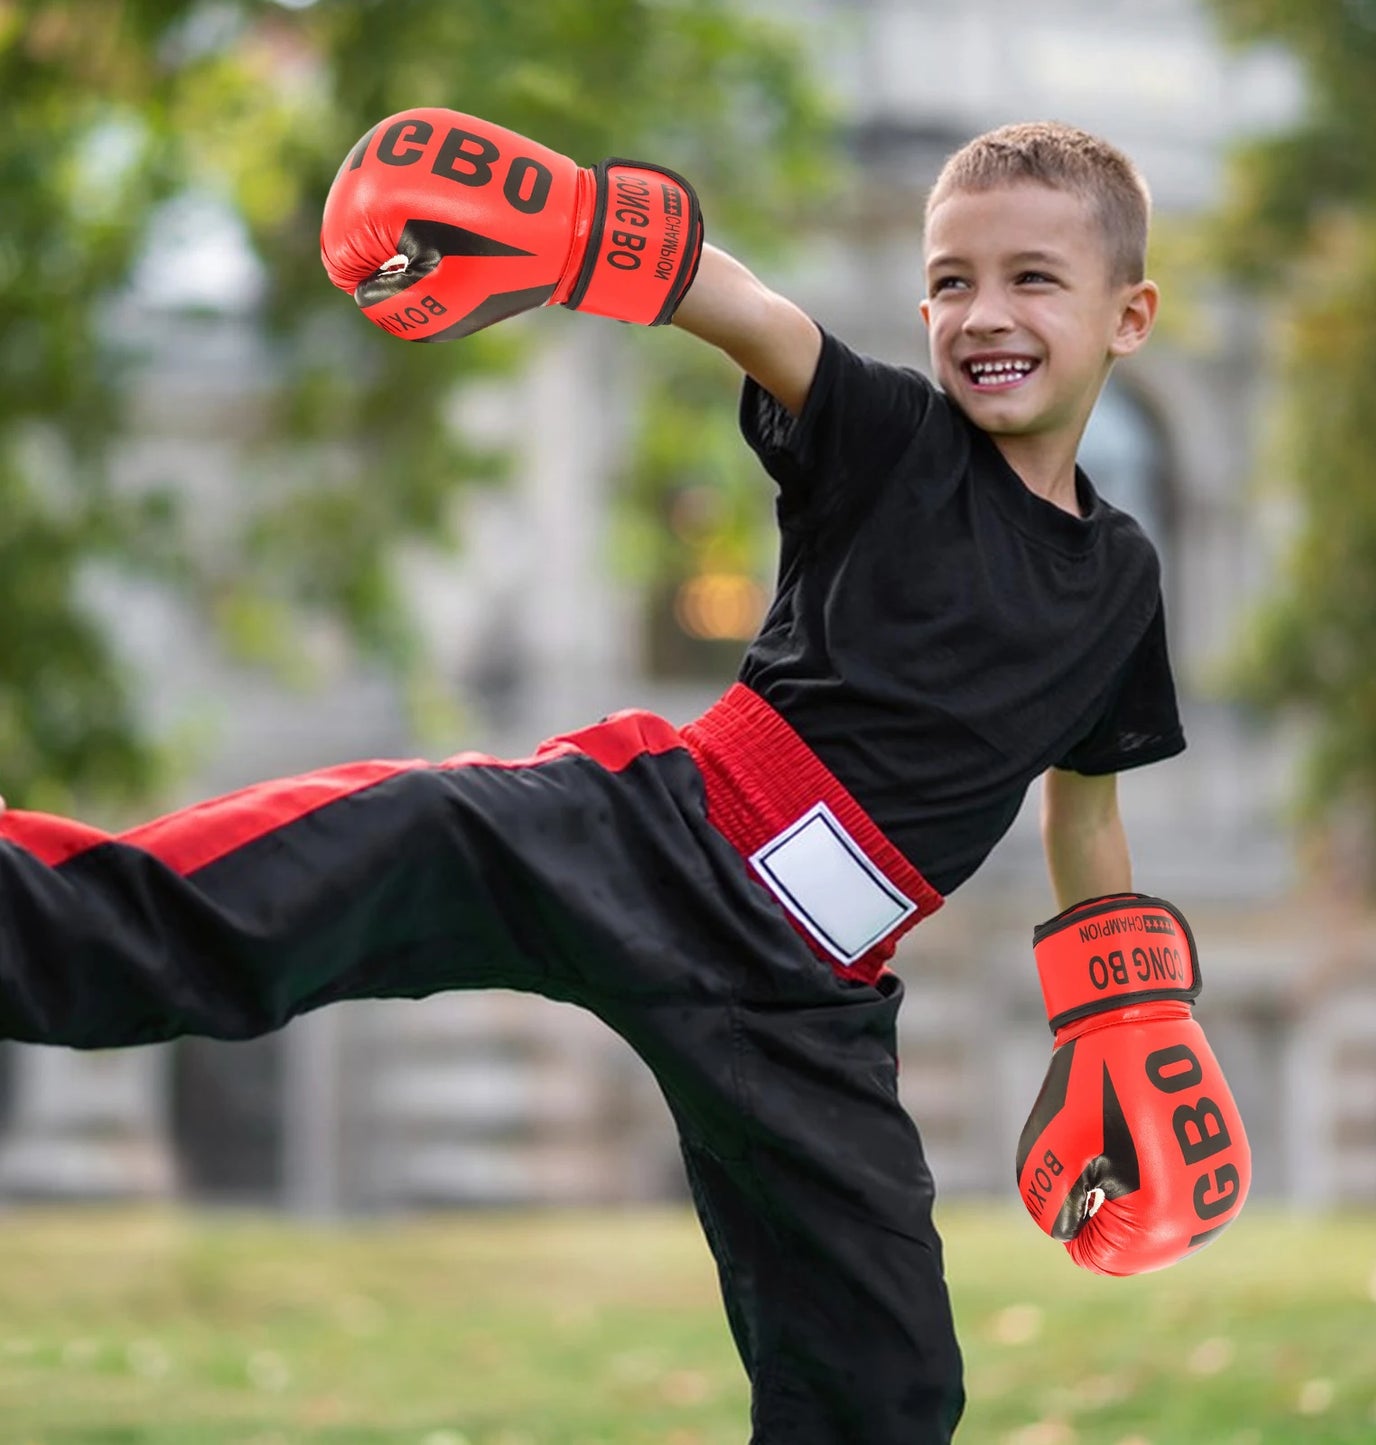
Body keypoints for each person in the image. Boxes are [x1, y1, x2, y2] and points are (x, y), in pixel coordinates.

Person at [0, 110, 1250, 1443]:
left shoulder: (1122, 581)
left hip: (806, 1001)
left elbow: (1085, 806)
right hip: (649, 833)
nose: (979, 313)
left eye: (1031, 279)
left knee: (887, 1384)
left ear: (1129, 316)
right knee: (275, 888)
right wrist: (579, 227)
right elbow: (753, 313)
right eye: (950, 279)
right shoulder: (891, 437)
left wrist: (1115, 1028)